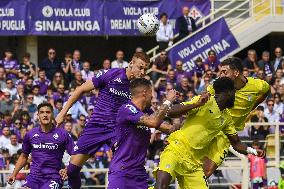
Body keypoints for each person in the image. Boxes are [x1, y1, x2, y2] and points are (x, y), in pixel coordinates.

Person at [56, 52, 150, 189]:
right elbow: (81, 89)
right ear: (131, 63)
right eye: (140, 67)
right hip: (96, 126)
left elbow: (146, 111)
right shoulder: (111, 74)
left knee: (126, 165)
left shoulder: (139, 88)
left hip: (117, 130)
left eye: (145, 69)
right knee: (71, 170)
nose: (142, 72)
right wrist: (62, 113)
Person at [154, 77, 266, 189]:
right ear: (228, 93)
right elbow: (170, 112)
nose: (235, 96)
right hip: (176, 150)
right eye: (234, 92)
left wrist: (254, 151)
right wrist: (196, 104)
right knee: (161, 187)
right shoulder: (204, 101)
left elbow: (236, 143)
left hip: (194, 163)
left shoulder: (226, 117)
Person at [202, 57, 270, 178]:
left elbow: (266, 90)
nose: (221, 74)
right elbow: (202, 99)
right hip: (209, 128)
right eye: (220, 71)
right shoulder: (218, 85)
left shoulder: (257, 85)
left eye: (224, 71)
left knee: (206, 172)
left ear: (236, 73)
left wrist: (253, 105)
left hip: (227, 134)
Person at [108, 78, 181, 188]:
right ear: (144, 93)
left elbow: (170, 129)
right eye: (151, 93)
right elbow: (154, 122)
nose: (152, 97)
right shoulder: (127, 109)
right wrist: (167, 100)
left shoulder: (147, 113)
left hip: (140, 175)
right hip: (122, 173)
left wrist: (177, 110)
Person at [7, 102, 74, 189]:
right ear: (38, 115)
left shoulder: (63, 134)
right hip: (34, 178)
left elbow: (75, 155)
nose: (45, 115)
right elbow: (24, 156)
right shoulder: (30, 134)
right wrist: (14, 174)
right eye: (42, 112)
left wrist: (67, 169)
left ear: (52, 114)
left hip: (53, 178)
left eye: (48, 112)